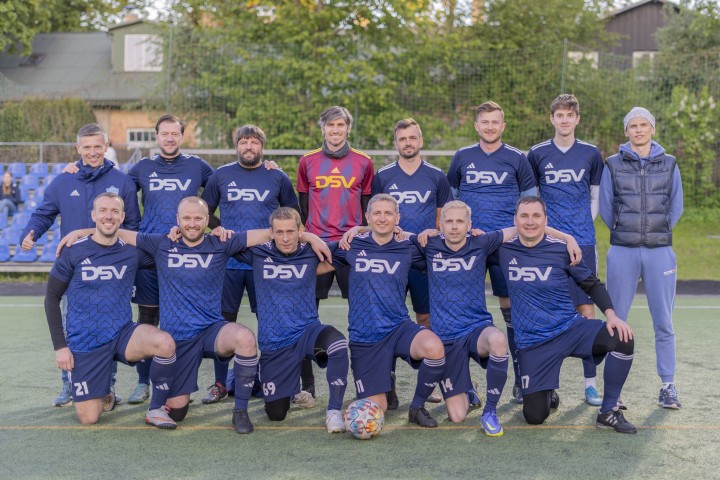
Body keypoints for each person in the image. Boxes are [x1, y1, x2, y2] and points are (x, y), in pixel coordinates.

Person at [60, 197, 330, 433]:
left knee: (245, 338)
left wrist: (308, 236)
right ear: (177, 220)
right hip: (178, 339)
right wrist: (84, 231)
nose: (192, 223)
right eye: (186, 218)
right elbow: (119, 232)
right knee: (177, 411)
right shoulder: (161, 243)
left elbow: (272, 234)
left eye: (198, 218)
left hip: (211, 330)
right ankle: (218, 384)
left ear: (207, 220)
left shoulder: (220, 242)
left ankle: (240, 411)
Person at [21, 123, 140, 408]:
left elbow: (133, 225)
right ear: (78, 148)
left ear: (106, 146)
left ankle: (108, 387)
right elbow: (44, 213)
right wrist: (31, 232)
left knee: (111, 326)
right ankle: (69, 385)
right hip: (75, 269)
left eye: (98, 146)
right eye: (87, 147)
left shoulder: (122, 181)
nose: (93, 152)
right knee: (72, 327)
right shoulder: (64, 180)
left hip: (112, 269)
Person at [499, 196, 637, 433]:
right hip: (533, 343)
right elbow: (468, 243)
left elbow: (591, 284)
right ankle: (547, 391)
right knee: (534, 416)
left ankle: (608, 411)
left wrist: (612, 316)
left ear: (546, 220)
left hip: (569, 329)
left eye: (536, 216)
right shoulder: (502, 249)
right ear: (515, 220)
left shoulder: (561, 249)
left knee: (622, 337)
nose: (530, 221)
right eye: (524, 216)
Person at [44, 193, 176, 426]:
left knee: (164, 343)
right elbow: (51, 298)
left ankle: (156, 408)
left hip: (122, 334)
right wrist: (60, 347)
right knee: (89, 418)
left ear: (122, 217)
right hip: (86, 342)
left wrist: (179, 232)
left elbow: (164, 247)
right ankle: (102, 388)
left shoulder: (131, 253)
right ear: (93, 215)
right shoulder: (73, 251)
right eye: (103, 211)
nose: (109, 216)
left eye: (115, 211)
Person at [200, 125, 298, 404]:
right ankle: (220, 383)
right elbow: (204, 212)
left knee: (271, 322)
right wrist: (220, 229)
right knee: (223, 323)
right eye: (243, 142)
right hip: (228, 264)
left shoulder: (277, 176)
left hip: (265, 262)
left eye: (254, 142)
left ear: (261, 147)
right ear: (236, 146)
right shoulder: (221, 175)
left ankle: (274, 379)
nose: (248, 146)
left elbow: (293, 214)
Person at [447, 101, 536, 404]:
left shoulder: (517, 158)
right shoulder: (462, 157)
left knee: (513, 311)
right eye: (484, 122)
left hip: (506, 245)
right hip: (469, 246)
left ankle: (522, 380)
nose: (489, 127)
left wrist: (519, 234)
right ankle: (465, 385)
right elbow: (451, 203)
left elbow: (530, 205)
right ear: (476, 126)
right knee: (462, 311)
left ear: (503, 126)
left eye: (495, 122)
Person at [330, 193, 446, 428]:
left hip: (398, 327)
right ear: (367, 217)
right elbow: (315, 252)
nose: (382, 218)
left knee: (434, 348)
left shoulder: (407, 247)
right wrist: (309, 236)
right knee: (377, 409)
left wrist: (430, 233)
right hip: (365, 337)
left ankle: (417, 407)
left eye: (388, 214)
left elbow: (449, 245)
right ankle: (385, 378)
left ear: (397, 218)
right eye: (377, 213)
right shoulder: (351, 244)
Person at [233, 207, 349, 432]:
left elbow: (351, 246)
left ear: (300, 231)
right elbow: (230, 244)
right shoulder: (258, 253)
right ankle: (290, 390)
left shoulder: (311, 251)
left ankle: (334, 411)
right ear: (271, 232)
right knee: (276, 414)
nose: (285, 238)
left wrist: (313, 238)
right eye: (279, 232)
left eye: (291, 232)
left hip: (307, 332)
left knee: (338, 344)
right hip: (274, 342)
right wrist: (305, 235)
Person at [124, 114, 214, 405]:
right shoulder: (143, 167)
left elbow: (225, 185)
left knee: (182, 321)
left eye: (175, 133)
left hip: (184, 256)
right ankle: (143, 382)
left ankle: (179, 383)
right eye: (165, 133)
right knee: (147, 319)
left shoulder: (197, 166)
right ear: (157, 136)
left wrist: (213, 224)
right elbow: (119, 189)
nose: (170, 138)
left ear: (182, 136)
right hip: (150, 254)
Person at [600, 107, 684, 409]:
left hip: (659, 252)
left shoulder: (669, 163)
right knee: (616, 322)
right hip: (622, 251)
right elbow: (606, 208)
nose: (638, 130)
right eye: (633, 126)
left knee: (664, 321)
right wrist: (625, 232)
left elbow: (676, 207)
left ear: (652, 128)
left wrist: (656, 231)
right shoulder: (612, 164)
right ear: (626, 132)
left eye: (643, 125)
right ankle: (614, 392)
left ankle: (668, 385)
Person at [527, 94, 606, 406]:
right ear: (552, 119)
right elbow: (533, 201)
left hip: (583, 242)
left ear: (577, 119)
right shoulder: (537, 154)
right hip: (548, 244)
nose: (564, 120)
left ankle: (590, 385)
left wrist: (581, 226)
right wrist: (550, 232)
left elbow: (595, 197)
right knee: (549, 312)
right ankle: (548, 383)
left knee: (586, 310)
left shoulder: (591, 153)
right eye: (559, 115)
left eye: (569, 115)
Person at [370, 118, 453, 407]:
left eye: (412, 138)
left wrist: (432, 234)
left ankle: (428, 383)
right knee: (387, 320)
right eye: (402, 139)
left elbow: (442, 221)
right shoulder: (383, 176)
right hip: (390, 260)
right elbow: (374, 217)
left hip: (423, 262)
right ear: (396, 143)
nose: (408, 143)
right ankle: (387, 382)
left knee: (425, 319)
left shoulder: (436, 176)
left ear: (421, 141)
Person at [296, 106, 374, 396]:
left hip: (350, 248)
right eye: (331, 125)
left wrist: (360, 234)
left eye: (341, 125)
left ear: (348, 128)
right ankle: (307, 386)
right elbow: (302, 207)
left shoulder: (364, 162)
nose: (336, 130)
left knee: (361, 315)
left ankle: (366, 380)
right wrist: (310, 237)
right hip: (317, 247)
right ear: (323, 129)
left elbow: (367, 209)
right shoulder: (307, 161)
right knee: (306, 313)